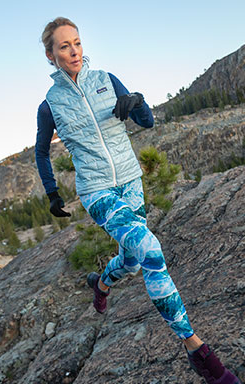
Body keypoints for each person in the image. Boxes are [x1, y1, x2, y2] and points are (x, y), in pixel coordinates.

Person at [35, 17, 241, 384]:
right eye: (64, 46)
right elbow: (41, 154)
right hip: (96, 190)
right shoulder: (50, 105)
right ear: (51, 55)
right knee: (150, 251)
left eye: (77, 42)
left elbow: (147, 122)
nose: (74, 51)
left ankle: (101, 284)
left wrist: (137, 101)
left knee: (132, 261)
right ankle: (199, 351)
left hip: (130, 181)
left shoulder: (106, 80)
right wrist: (52, 192)